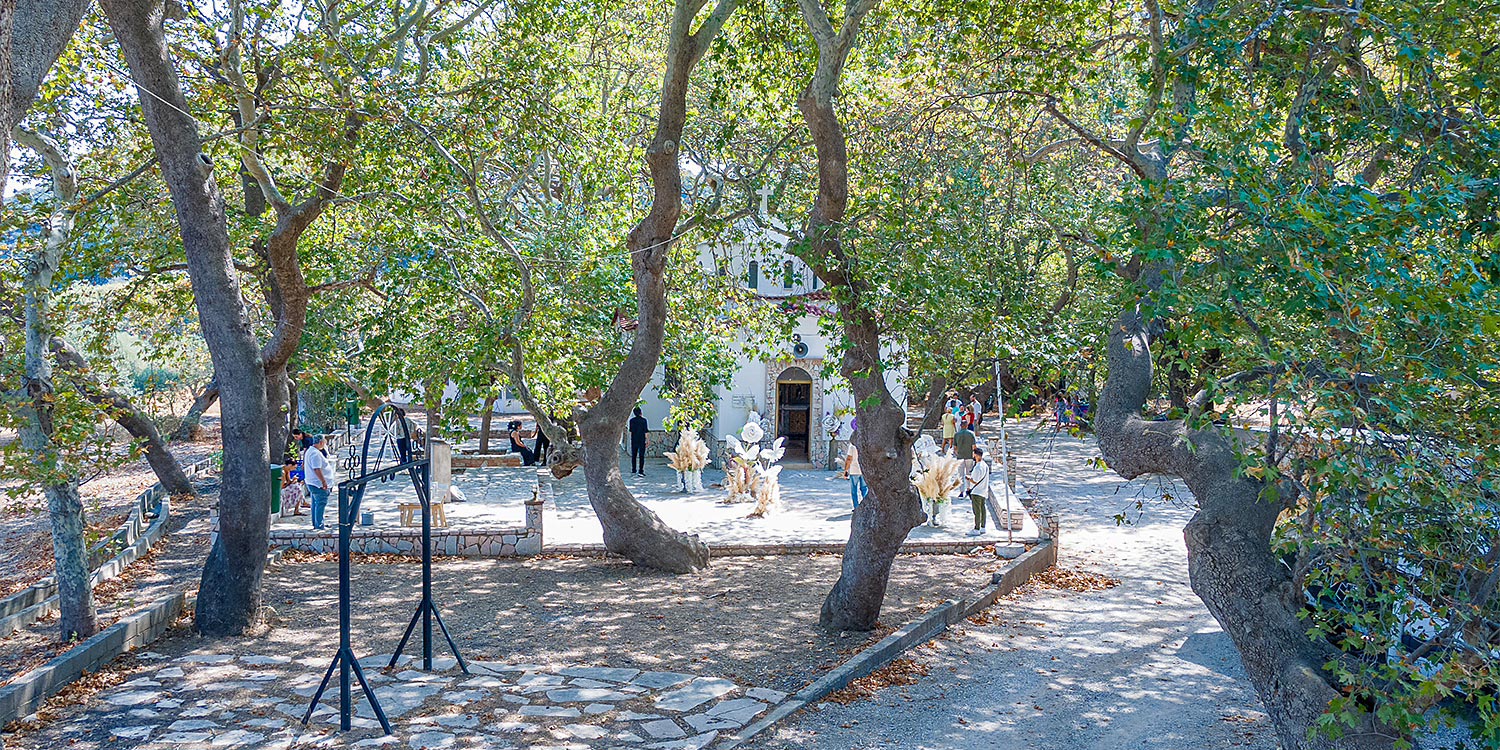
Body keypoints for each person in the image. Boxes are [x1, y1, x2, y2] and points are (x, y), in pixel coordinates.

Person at [303, 434, 337, 530]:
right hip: (317, 484)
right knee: (320, 503)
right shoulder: (315, 454)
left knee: (315, 503)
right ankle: (319, 525)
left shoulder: (311, 451)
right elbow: (317, 469)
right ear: (321, 442)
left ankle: (317, 523)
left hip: (312, 482)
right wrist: (323, 482)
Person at [967, 445, 992, 536]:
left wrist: (969, 479)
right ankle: (983, 527)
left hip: (976, 491)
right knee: (983, 509)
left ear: (977, 455)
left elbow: (974, 480)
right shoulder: (985, 465)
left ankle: (976, 528)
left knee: (977, 511)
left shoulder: (977, 468)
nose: (973, 456)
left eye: (974, 454)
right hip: (984, 491)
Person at [842, 440, 867, 508]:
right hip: (863, 470)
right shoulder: (865, 444)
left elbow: (849, 459)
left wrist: (846, 470)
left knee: (854, 490)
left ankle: (856, 507)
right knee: (864, 489)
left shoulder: (852, 446)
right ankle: (866, 506)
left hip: (854, 471)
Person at [628, 407, 649, 477]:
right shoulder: (644, 421)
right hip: (641, 440)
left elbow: (631, 430)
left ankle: (634, 469)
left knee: (634, 455)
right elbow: (646, 431)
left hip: (634, 440)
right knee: (641, 456)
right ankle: (641, 470)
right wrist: (647, 440)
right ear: (640, 412)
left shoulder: (631, 421)